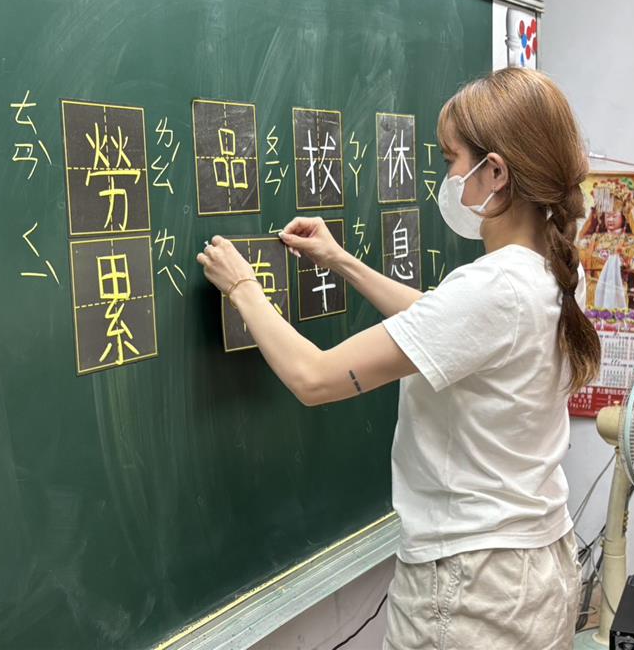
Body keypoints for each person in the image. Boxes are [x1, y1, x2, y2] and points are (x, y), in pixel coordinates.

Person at [197, 68, 600, 649]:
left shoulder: (493, 288)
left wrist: (243, 288)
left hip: (473, 586)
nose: (447, 176)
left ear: (495, 173)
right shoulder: (551, 271)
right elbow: (443, 327)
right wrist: (342, 261)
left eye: (452, 159)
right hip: (534, 565)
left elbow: (315, 378)